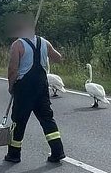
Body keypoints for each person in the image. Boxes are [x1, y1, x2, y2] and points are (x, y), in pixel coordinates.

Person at [5, 14, 66, 164]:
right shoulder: (44, 42)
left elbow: (13, 69)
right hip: (41, 86)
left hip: (24, 88)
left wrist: (11, 86)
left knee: (18, 121)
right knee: (47, 119)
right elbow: (58, 58)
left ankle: (14, 155)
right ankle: (58, 152)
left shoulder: (18, 45)